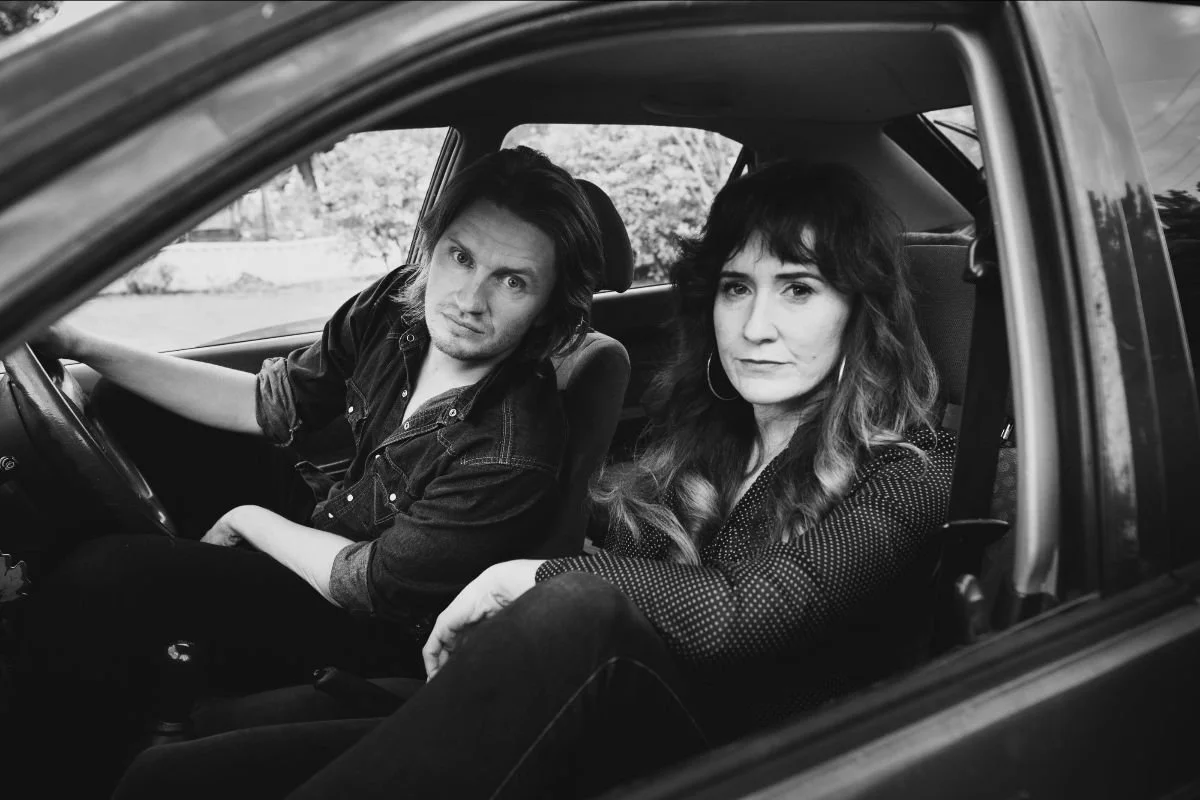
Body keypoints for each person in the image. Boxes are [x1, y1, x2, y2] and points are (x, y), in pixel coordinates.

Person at [113, 159, 957, 800]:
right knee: (171, 778)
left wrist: (527, 576)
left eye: (799, 290)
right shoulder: (709, 440)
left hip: (741, 761)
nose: (756, 325)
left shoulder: (912, 470)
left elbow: (748, 611)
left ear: (861, 311)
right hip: (595, 723)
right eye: (737, 288)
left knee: (578, 603)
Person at [10, 146, 603, 796]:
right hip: (329, 516)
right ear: (434, 247)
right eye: (460, 257)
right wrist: (83, 346)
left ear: (548, 306)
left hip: (376, 626)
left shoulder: (514, 447)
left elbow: (370, 584)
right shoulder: (395, 311)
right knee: (131, 411)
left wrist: (249, 520)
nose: (469, 298)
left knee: (109, 577)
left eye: (512, 282)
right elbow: (273, 404)